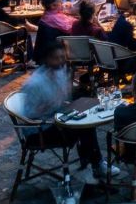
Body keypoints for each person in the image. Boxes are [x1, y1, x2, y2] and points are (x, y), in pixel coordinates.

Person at [19, 42, 120, 184]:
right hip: (39, 129)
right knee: (84, 127)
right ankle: (93, 165)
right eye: (56, 58)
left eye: (62, 57)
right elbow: (29, 115)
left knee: (86, 117)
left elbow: (64, 98)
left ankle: (93, 163)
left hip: (56, 116)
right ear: (47, 59)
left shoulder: (60, 71)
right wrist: (51, 105)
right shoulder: (35, 83)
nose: (61, 61)